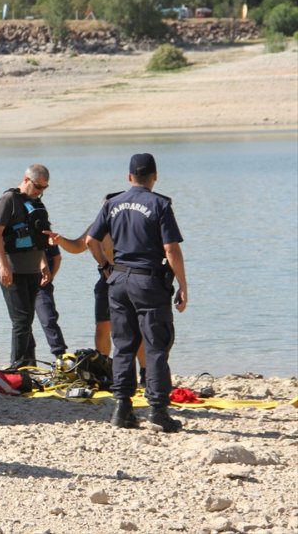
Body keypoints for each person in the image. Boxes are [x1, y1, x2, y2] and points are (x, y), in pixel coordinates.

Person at [87, 153, 188, 433]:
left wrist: (106, 267)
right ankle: (157, 410)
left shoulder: (113, 203)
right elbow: (171, 249)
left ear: (129, 177)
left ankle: (122, 409)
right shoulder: (160, 204)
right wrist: (183, 285)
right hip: (148, 282)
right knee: (156, 346)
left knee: (124, 344)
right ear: (154, 176)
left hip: (118, 280)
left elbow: (90, 240)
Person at [46, 223, 147, 370]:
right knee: (102, 327)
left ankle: (144, 370)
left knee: (134, 328)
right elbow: (77, 246)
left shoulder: (133, 222)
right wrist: (60, 240)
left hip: (131, 277)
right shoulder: (101, 224)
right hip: (107, 278)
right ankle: (103, 368)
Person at [0, 164, 52, 368]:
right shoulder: (8, 200)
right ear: (26, 179)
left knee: (27, 319)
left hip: (33, 269)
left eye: (44, 188)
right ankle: (15, 367)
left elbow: (39, 235)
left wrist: (43, 263)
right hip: (13, 270)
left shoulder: (36, 203)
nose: (40, 191)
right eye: (37, 186)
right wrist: (3, 265)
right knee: (21, 320)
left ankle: (29, 365)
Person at [34, 244, 68, 359]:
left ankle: (60, 356)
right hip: (20, 281)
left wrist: (50, 277)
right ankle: (26, 361)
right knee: (22, 324)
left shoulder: (43, 230)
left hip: (42, 285)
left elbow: (57, 258)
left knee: (48, 318)